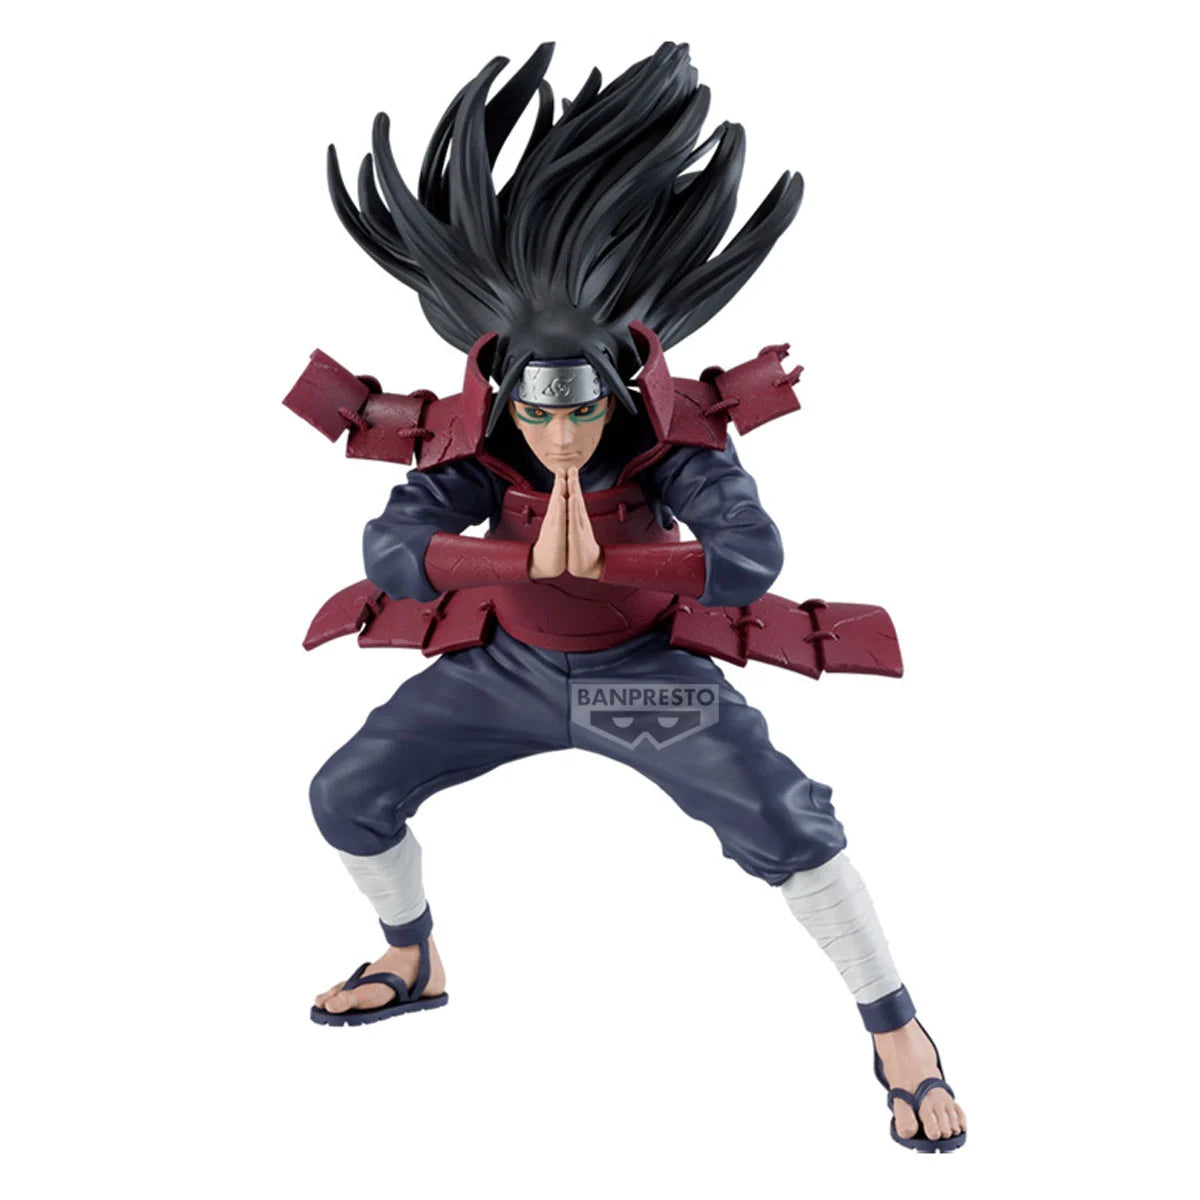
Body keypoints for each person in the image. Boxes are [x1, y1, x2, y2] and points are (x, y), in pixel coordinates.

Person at [287, 42, 966, 1152]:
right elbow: (394, 549)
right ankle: (412, 956)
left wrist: (611, 567)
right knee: (345, 795)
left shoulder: (670, 443)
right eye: (538, 412)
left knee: (786, 825)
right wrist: (517, 568)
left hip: (638, 681)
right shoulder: (483, 444)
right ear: (506, 393)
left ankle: (898, 1029)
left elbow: (749, 555)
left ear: (617, 386)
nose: (560, 435)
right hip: (503, 673)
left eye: (580, 410)